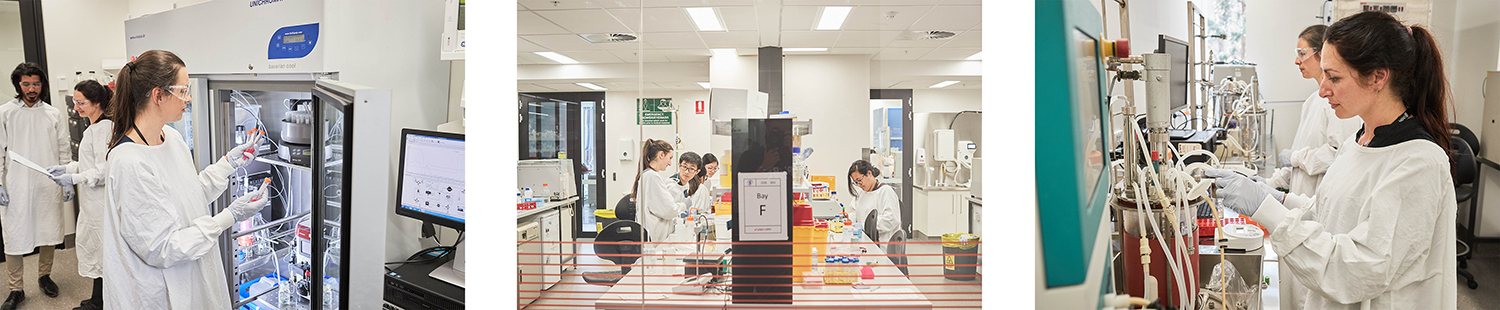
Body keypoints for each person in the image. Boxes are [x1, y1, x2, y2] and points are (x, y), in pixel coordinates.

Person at [1209, 12, 1456, 309]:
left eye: (1334, 77)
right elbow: (1334, 212)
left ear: (1378, 76)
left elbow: (1356, 270)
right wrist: (1277, 199)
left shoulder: (1419, 162)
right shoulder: (1360, 140)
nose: (1323, 88)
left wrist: (1268, 212)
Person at [99, 50, 271, 309]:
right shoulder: (129, 162)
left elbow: (187, 198)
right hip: (161, 290)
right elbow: (163, 248)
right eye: (183, 90)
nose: (189, 98)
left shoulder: (171, 137)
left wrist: (229, 163)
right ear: (158, 95)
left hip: (191, 274)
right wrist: (230, 216)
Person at [1262, 24, 1365, 310]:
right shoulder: (1312, 101)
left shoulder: (1339, 104)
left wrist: (1296, 158)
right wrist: (1269, 184)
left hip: (1320, 215)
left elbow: (1339, 154)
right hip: (1303, 207)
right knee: (1294, 290)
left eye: (1301, 53)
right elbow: (1300, 156)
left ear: (1321, 55)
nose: (1297, 61)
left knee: (1308, 293)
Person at [0, 62, 71, 310]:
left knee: (48, 230)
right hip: (16, 184)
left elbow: (63, 147)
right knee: (14, 235)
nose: (32, 88)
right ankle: (15, 289)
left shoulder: (52, 113)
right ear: (18, 85)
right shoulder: (6, 112)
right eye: (27, 83)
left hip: (46, 182)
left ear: (43, 85)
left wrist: (68, 176)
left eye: (36, 83)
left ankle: (44, 276)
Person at [42, 80, 113, 310]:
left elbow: (103, 171)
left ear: (98, 103)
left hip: (101, 203)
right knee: (97, 251)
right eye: (75, 101)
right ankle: (97, 299)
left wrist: (73, 178)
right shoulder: (93, 127)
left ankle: (99, 303)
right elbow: (87, 163)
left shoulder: (104, 129)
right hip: (93, 202)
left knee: (103, 254)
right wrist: (67, 168)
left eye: (81, 102)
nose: (76, 107)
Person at [630, 139, 684, 242]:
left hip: (651, 233)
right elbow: (669, 210)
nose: (670, 163)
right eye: (670, 158)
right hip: (655, 236)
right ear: (661, 155)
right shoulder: (652, 176)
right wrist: (683, 206)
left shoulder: (647, 174)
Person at [848, 160, 900, 248]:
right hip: (864, 240)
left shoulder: (885, 191)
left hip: (882, 245)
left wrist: (865, 226)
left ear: (869, 173)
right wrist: (848, 222)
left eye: (859, 180)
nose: (859, 185)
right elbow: (854, 211)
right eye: (856, 182)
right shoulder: (861, 193)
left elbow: (891, 219)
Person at [676, 152, 712, 216]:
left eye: (691, 169)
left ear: (697, 171)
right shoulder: (672, 185)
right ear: (679, 165)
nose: (687, 172)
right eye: (684, 167)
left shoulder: (687, 186)